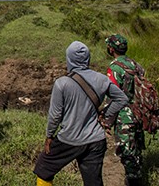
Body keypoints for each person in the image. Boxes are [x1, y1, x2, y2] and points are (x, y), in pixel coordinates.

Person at [34, 41, 129, 186]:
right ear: (88, 59)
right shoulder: (102, 79)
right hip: (96, 140)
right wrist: (105, 113)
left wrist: (49, 136)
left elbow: (55, 115)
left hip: (69, 139)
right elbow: (122, 98)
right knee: (93, 182)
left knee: (43, 168)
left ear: (69, 59)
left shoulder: (62, 83)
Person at [105, 34, 145, 186]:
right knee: (137, 150)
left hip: (124, 115)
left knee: (127, 153)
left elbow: (112, 95)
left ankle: (133, 181)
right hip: (139, 113)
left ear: (111, 48)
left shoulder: (114, 67)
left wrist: (108, 119)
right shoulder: (136, 65)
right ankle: (137, 177)